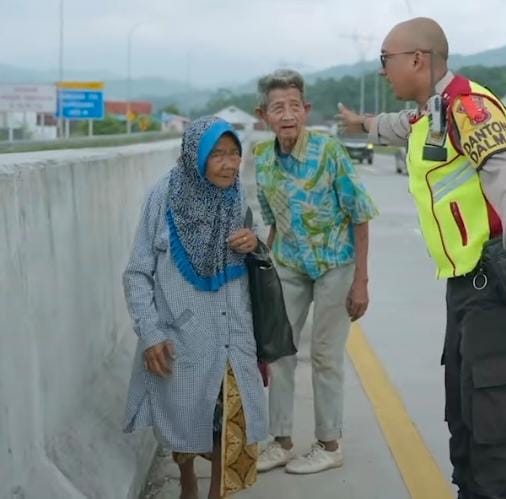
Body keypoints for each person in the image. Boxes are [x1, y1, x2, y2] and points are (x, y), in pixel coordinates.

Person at [338, 17, 506, 499]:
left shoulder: (469, 107)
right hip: (466, 286)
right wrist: (362, 123)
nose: (382, 72)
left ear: (417, 59)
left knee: (492, 421)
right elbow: (395, 127)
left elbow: (503, 166)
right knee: (463, 414)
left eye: (385, 61)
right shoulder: (431, 111)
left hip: (499, 282)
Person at [122, 116, 268, 499]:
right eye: (217, 154)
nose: (228, 164)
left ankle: (215, 493)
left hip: (234, 333)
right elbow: (137, 273)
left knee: (231, 422)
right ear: (194, 156)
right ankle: (187, 482)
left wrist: (253, 242)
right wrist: (151, 334)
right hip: (182, 335)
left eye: (234, 154)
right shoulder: (163, 197)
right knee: (186, 416)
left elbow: (257, 250)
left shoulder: (236, 197)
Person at [253, 69, 379, 475]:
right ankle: (282, 440)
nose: (287, 115)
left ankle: (329, 444)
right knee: (280, 352)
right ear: (264, 115)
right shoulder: (263, 160)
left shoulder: (329, 152)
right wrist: (262, 274)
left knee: (325, 355)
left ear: (305, 110)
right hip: (289, 264)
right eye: (278, 108)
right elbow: (272, 222)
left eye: (294, 106)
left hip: (334, 265)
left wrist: (360, 281)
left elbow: (359, 216)